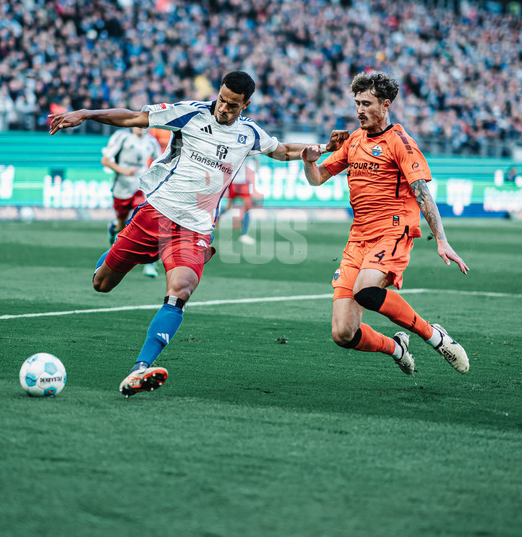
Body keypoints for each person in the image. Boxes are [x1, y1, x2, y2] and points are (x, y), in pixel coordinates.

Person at [48, 71, 346, 397]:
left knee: (181, 290)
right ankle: (116, 243)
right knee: (101, 284)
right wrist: (86, 114)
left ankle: (140, 369)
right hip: (155, 214)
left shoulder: (249, 134)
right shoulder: (189, 112)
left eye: (233, 106)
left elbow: (283, 149)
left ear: (245, 105)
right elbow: (135, 116)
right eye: (221, 100)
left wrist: (323, 147)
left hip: (195, 230)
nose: (223, 109)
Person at [301, 71, 471, 376]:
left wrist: (441, 238)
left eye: (367, 103)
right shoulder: (354, 140)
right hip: (358, 238)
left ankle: (435, 336)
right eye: (357, 103)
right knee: (343, 334)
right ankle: (397, 348)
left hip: (393, 230)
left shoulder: (400, 143)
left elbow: (423, 193)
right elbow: (317, 179)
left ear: (386, 104)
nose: (360, 110)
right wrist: (309, 160)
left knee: (366, 290)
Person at [102, 126, 164, 278]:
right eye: (138, 125)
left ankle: (149, 264)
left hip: (141, 186)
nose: (141, 128)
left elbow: (161, 161)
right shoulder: (122, 137)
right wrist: (123, 171)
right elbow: (105, 160)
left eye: (144, 126)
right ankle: (115, 229)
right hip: (121, 186)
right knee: (122, 225)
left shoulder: (151, 141)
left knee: (144, 221)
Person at [220, 154, 261, 245]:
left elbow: (256, 158)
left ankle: (244, 234)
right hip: (236, 183)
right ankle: (216, 220)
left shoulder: (244, 147)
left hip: (240, 183)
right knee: (231, 207)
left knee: (245, 207)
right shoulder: (239, 148)